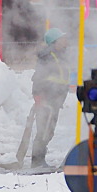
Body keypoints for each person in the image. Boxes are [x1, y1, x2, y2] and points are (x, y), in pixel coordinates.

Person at [30, 28, 71, 168]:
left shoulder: (58, 55)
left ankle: (39, 159)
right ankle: (37, 161)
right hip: (47, 98)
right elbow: (39, 78)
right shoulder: (48, 56)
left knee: (48, 130)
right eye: (62, 38)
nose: (66, 41)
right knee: (44, 130)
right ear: (55, 42)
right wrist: (39, 96)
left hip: (54, 99)